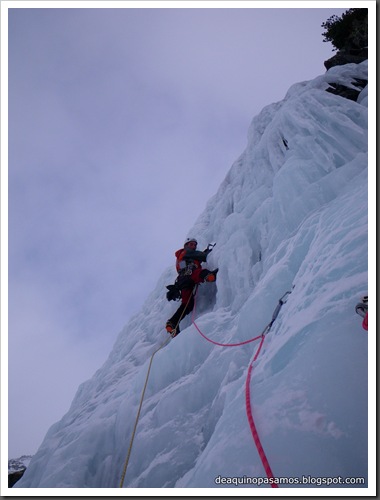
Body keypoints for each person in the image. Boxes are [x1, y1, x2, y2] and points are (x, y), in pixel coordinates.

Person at [165, 237, 218, 337]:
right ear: (186, 246)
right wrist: (208, 252)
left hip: (182, 282)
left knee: (187, 305)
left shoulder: (182, 256)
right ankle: (208, 276)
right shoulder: (187, 252)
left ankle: (172, 323)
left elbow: (196, 258)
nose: (193, 246)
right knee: (198, 273)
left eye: (194, 245)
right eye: (191, 244)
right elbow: (201, 256)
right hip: (190, 276)